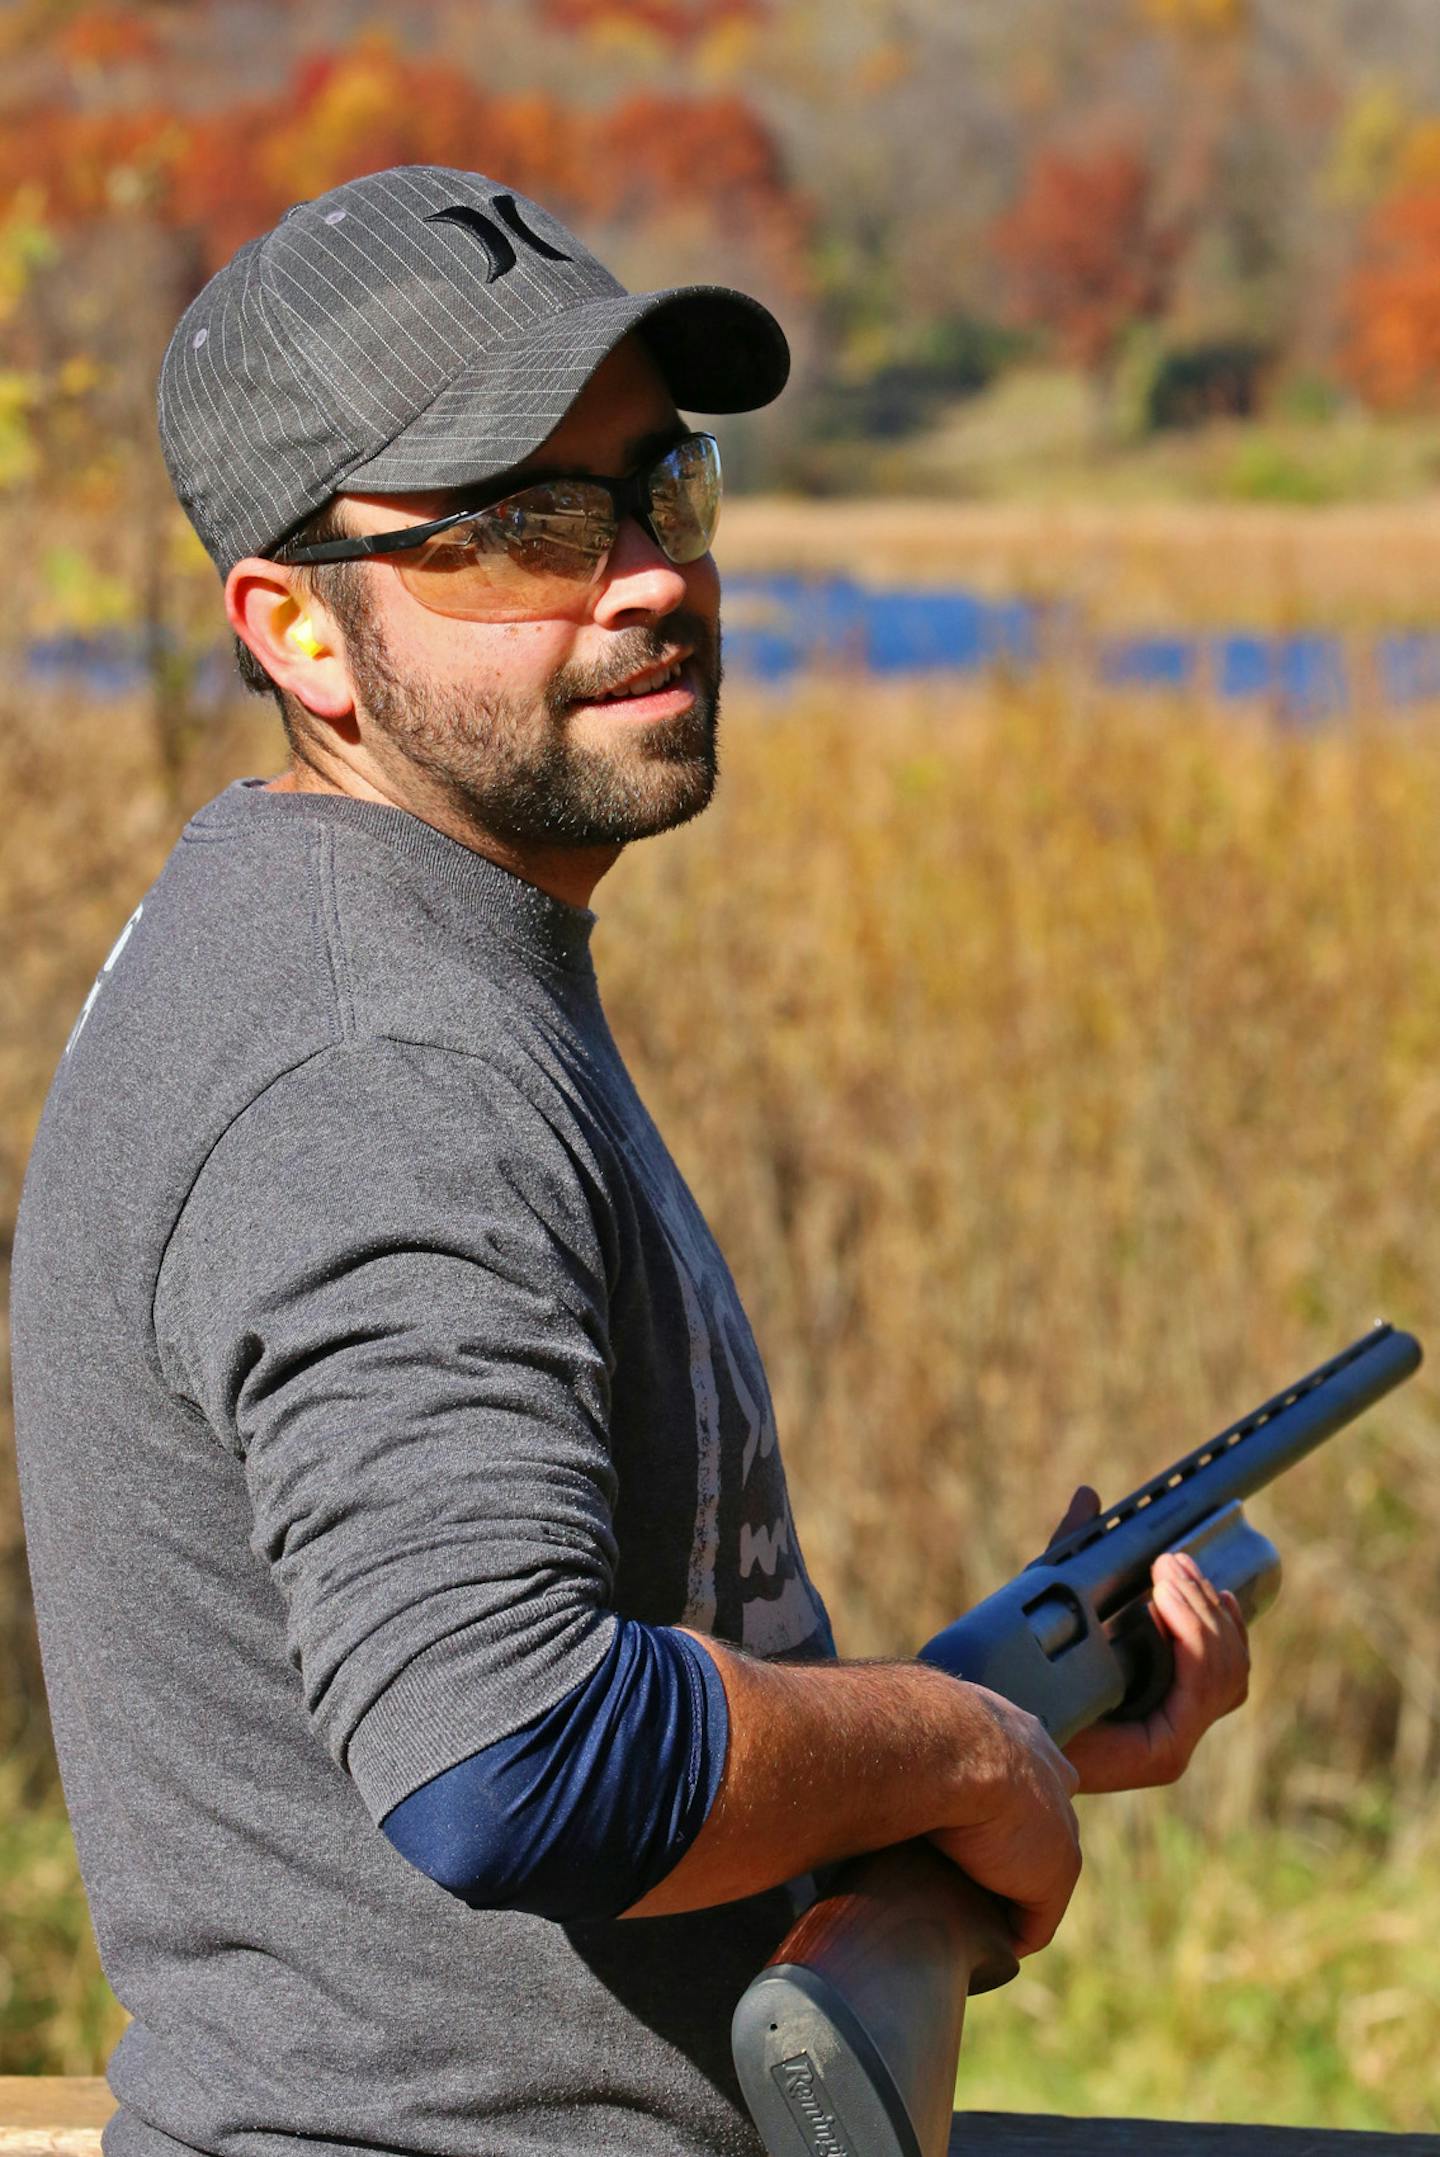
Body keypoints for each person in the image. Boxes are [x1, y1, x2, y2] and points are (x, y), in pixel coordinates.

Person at [11, 166, 1250, 2157]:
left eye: (657, 484)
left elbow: (550, 1684)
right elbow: (511, 1750)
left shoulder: (378, 937)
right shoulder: (379, 1052)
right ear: (297, 634)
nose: (646, 570)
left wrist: (998, 1717)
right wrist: (950, 1735)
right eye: (515, 532)